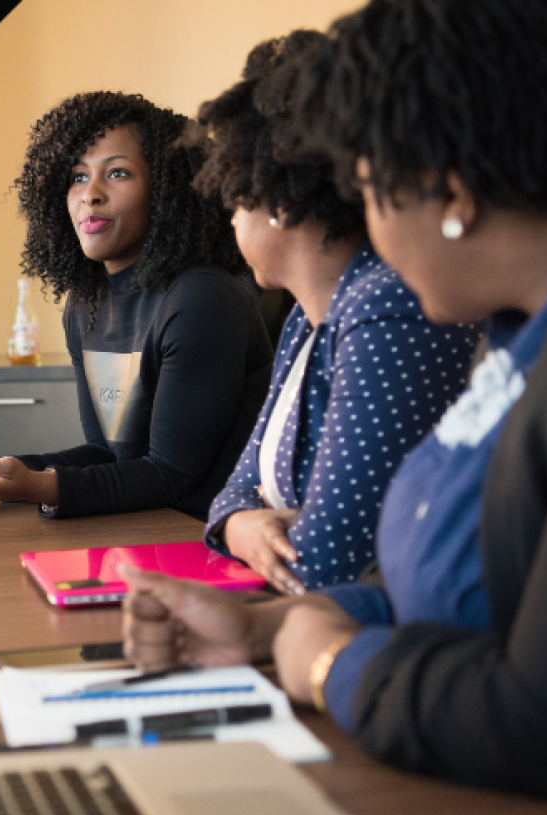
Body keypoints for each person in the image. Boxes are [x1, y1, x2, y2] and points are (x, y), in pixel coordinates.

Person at [121, 1, 547, 815]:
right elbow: (474, 575)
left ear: (450, 193)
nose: (365, 228)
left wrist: (330, 665)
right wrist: (273, 629)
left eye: (368, 191)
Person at [186, 31, 478, 594]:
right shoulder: (305, 318)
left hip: (342, 631)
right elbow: (236, 487)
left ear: (282, 201)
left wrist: (252, 528)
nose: (229, 221)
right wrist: (242, 525)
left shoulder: (388, 305)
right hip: (294, 616)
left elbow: (329, 559)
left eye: (236, 199)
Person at [0, 92, 273, 520]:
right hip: (139, 530)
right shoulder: (85, 305)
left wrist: (35, 485)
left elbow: (172, 475)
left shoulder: (201, 299)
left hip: (205, 540)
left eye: (117, 173)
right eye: (78, 177)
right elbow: (106, 454)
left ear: (164, 189)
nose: (91, 195)